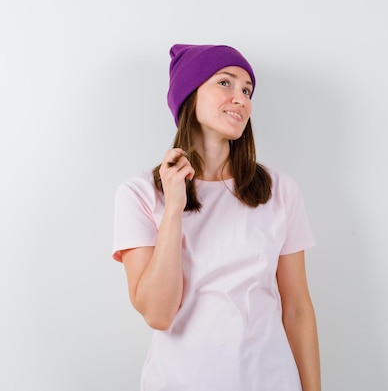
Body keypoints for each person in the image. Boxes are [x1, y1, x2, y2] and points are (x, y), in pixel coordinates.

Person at [112, 43, 321, 391]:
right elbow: (158, 314)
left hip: (270, 380)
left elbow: (297, 308)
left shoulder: (280, 190)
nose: (240, 97)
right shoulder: (139, 194)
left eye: (247, 90)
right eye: (225, 83)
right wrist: (175, 207)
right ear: (190, 96)